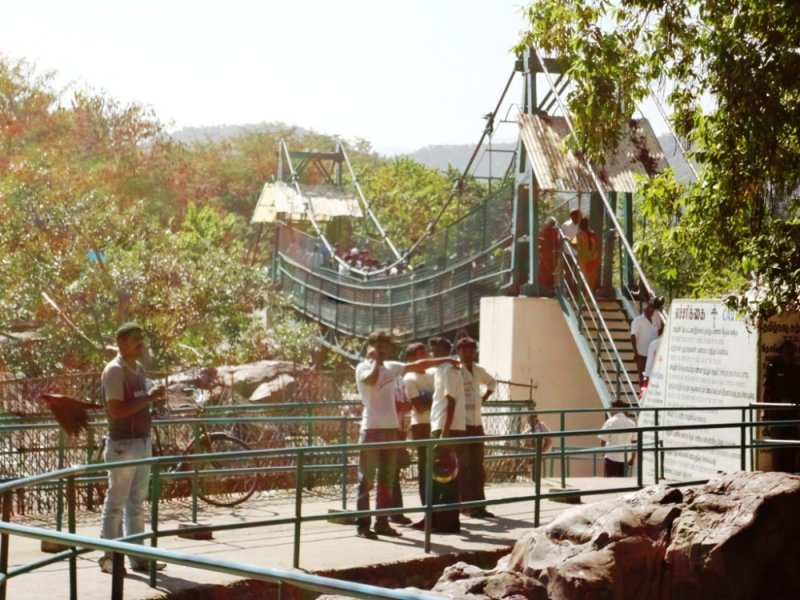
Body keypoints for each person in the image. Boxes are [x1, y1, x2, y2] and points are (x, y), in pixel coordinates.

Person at [354, 330, 455, 540]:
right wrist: (376, 361)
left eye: (386, 345)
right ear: (370, 346)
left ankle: (382, 522)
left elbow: (420, 366)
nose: (383, 349)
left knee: (387, 479)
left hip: (392, 430)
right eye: (378, 345)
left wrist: (446, 359)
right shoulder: (363, 367)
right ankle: (363, 525)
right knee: (366, 479)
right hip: (372, 429)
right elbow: (372, 381)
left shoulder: (393, 367)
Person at [98, 322, 167, 574]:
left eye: (142, 339)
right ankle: (109, 558)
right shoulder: (115, 371)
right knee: (116, 502)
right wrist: (149, 398)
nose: (141, 345)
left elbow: (137, 403)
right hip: (123, 445)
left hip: (141, 441)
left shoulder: (137, 369)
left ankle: (138, 557)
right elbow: (116, 411)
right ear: (122, 343)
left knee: (137, 502)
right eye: (136, 340)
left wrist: (150, 399)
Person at [411, 337, 465, 533]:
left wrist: (445, 434)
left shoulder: (449, 371)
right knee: (438, 476)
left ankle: (448, 522)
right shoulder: (442, 369)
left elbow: (451, 402)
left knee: (447, 477)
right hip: (440, 426)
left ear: (445, 349)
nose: (432, 353)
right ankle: (433, 519)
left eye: (436, 350)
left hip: (445, 427)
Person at [455, 337, 496, 519]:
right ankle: (466, 505)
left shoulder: (479, 370)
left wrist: (483, 399)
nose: (468, 354)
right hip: (460, 424)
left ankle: (480, 505)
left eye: (471, 350)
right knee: (462, 467)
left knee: (477, 467)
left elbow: (492, 383)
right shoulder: (454, 370)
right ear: (459, 352)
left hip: (476, 423)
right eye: (464, 350)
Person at [403, 342, 434, 505]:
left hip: (436, 423)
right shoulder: (410, 378)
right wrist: (436, 401)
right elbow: (420, 408)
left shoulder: (433, 373)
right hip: (421, 425)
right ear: (411, 358)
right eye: (420, 355)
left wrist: (428, 399)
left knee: (438, 465)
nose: (425, 357)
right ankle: (426, 505)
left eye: (425, 354)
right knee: (425, 466)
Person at [762, 339, 800, 473]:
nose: (788, 354)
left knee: (792, 444)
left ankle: (789, 473)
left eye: (791, 351)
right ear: (781, 352)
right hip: (777, 411)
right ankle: (778, 473)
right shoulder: (774, 367)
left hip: (792, 412)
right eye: (785, 351)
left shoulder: (796, 369)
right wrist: (764, 410)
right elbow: (766, 388)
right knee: (778, 444)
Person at [598, 400, 637, 477]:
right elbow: (634, 443)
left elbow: (603, 441)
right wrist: (632, 458)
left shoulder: (610, 422)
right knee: (623, 483)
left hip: (611, 457)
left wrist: (604, 454)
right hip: (626, 458)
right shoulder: (631, 423)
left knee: (610, 483)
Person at [631, 299, 661, 386]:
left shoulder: (654, 320)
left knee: (653, 378)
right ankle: (641, 397)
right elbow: (633, 336)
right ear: (645, 309)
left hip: (654, 355)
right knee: (643, 378)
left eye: (653, 310)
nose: (651, 311)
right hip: (642, 355)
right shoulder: (637, 321)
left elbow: (657, 333)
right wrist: (635, 353)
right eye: (649, 309)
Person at [576, 217, 601, 291]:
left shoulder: (579, 235)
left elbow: (578, 248)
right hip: (594, 259)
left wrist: (578, 261)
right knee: (592, 278)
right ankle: (591, 293)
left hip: (584, 260)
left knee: (585, 278)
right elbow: (597, 247)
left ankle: (586, 295)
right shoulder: (593, 234)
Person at [537, 216, 560, 293]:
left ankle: (550, 287)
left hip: (553, 254)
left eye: (553, 223)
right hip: (544, 253)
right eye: (551, 223)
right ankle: (544, 287)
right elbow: (540, 242)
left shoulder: (555, 232)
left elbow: (557, 242)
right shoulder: (543, 231)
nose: (552, 225)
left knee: (551, 270)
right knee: (544, 270)